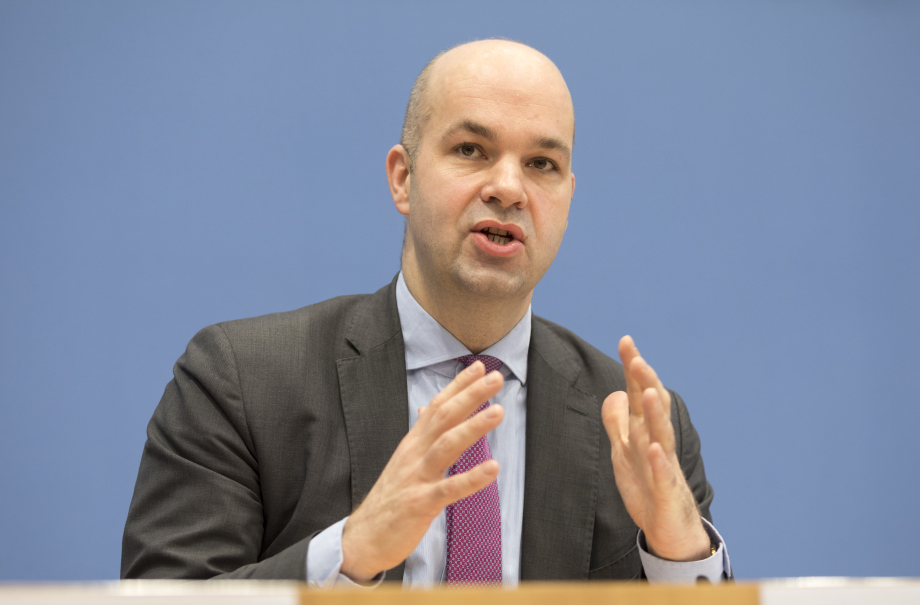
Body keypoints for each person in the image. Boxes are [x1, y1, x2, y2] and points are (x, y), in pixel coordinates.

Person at [122, 39, 731, 586]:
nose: (510, 188)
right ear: (403, 178)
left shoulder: (638, 425)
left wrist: (680, 557)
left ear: (569, 197)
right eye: (471, 149)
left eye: (542, 164)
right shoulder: (241, 382)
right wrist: (351, 550)